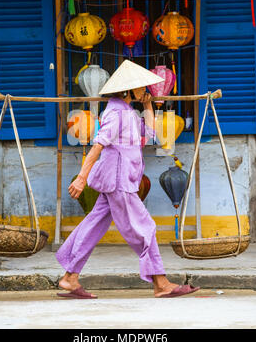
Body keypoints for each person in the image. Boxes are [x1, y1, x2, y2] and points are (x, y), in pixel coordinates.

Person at [55, 60, 200, 299]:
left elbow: (150, 134)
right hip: (119, 181)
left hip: (118, 180)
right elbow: (98, 145)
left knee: (92, 226)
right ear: (126, 90)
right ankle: (161, 283)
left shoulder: (128, 112)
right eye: (141, 87)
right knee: (144, 227)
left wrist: (149, 105)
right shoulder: (115, 113)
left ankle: (70, 278)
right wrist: (81, 178)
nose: (146, 90)